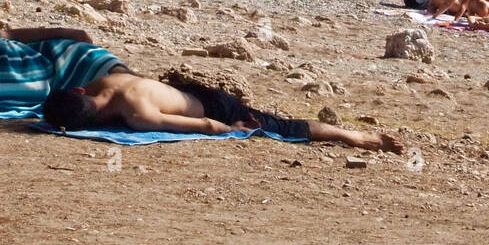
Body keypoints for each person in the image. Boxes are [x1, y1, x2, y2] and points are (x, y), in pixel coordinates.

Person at [42, 69, 404, 153]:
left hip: (214, 105)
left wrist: (236, 128)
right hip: (184, 91)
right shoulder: (105, 80)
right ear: (80, 91)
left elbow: (204, 125)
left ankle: (353, 135)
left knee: (281, 127)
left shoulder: (138, 116)